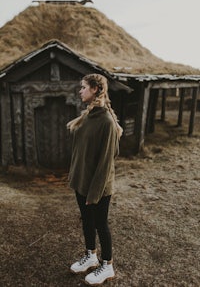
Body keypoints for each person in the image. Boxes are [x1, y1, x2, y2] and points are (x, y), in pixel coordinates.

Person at [67, 73, 123, 286]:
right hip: (82, 181)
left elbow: (106, 162)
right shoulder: (89, 115)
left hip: (98, 186)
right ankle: (91, 256)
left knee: (100, 223)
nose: (80, 91)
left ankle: (107, 266)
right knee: (86, 220)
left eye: (83, 87)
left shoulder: (106, 121)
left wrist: (94, 192)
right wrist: (76, 177)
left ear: (95, 90)